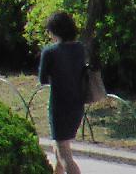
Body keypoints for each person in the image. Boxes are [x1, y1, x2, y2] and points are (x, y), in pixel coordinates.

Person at [38, 10, 87, 174]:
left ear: (54, 30)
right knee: (59, 148)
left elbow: (42, 79)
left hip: (60, 106)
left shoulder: (50, 52)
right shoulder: (80, 48)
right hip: (77, 105)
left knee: (64, 154)